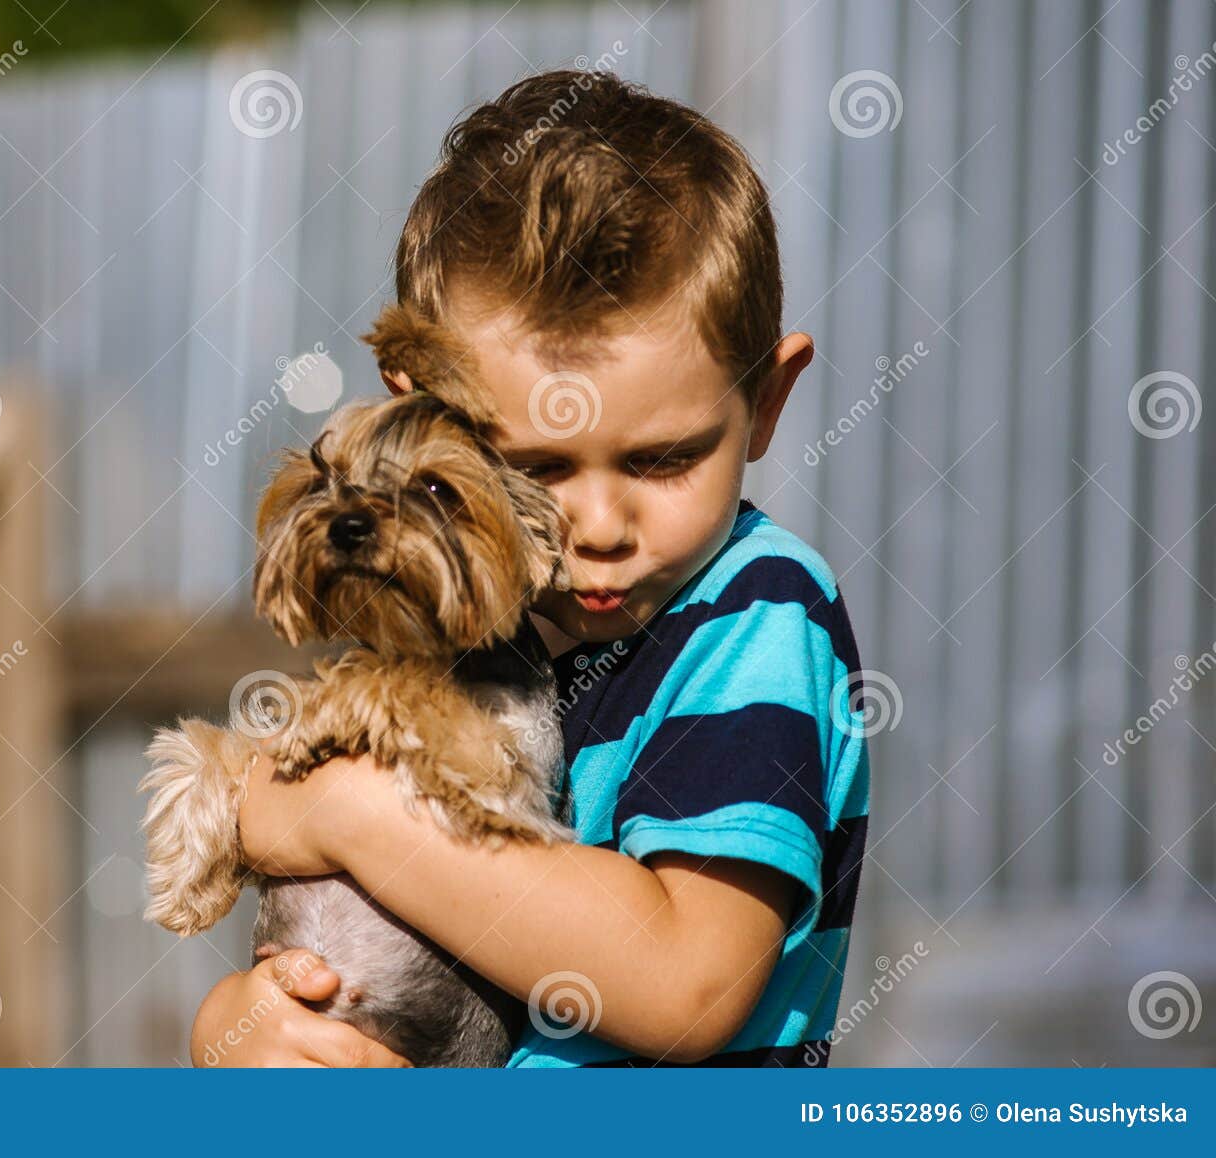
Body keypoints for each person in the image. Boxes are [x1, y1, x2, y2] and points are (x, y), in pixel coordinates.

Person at [190, 69, 869, 1067]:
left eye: (666, 458)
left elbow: (685, 987)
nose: (598, 524)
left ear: (765, 401)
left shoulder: (755, 614)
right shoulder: (474, 619)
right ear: (423, 420)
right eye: (537, 466)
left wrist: (343, 812)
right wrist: (235, 1029)